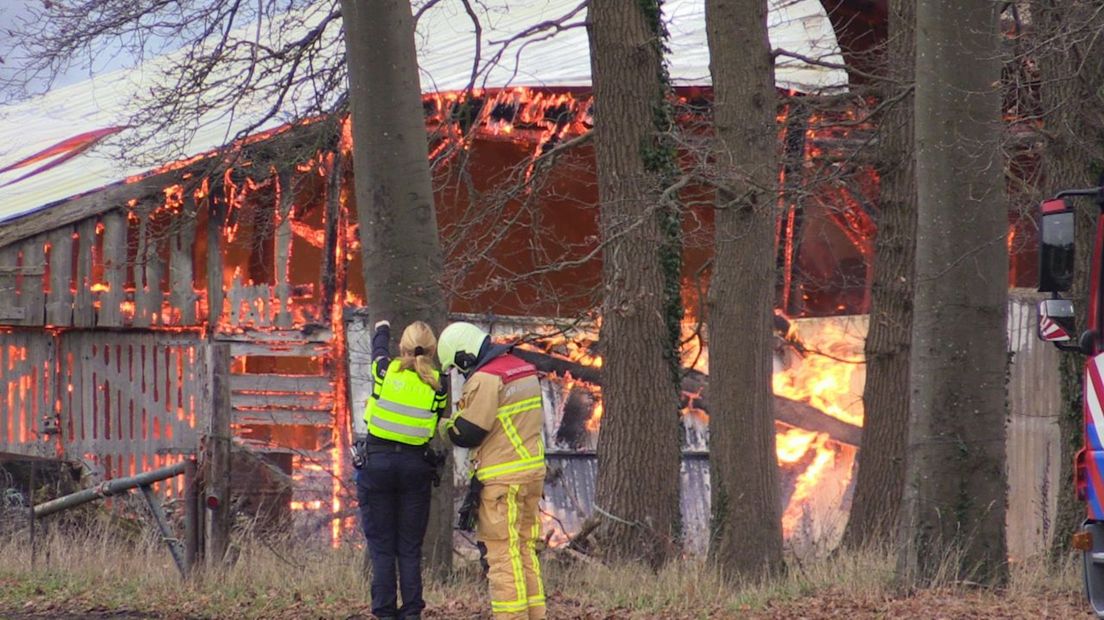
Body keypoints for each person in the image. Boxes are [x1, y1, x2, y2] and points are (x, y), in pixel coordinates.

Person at [436, 322, 547, 620]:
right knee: (524, 551)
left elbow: (468, 432)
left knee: (501, 557)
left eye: (458, 367)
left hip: (502, 480)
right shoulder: (523, 369)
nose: (460, 373)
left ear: (464, 355)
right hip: (532, 474)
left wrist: (445, 425)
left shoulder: (487, 378)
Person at [355, 319, 448, 620]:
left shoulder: (385, 370)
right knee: (409, 548)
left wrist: (382, 327)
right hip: (414, 468)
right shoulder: (439, 383)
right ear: (432, 351)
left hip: (378, 465)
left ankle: (384, 613)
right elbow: (436, 420)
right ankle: (411, 613)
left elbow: (377, 349)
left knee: (382, 547)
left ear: (402, 347)